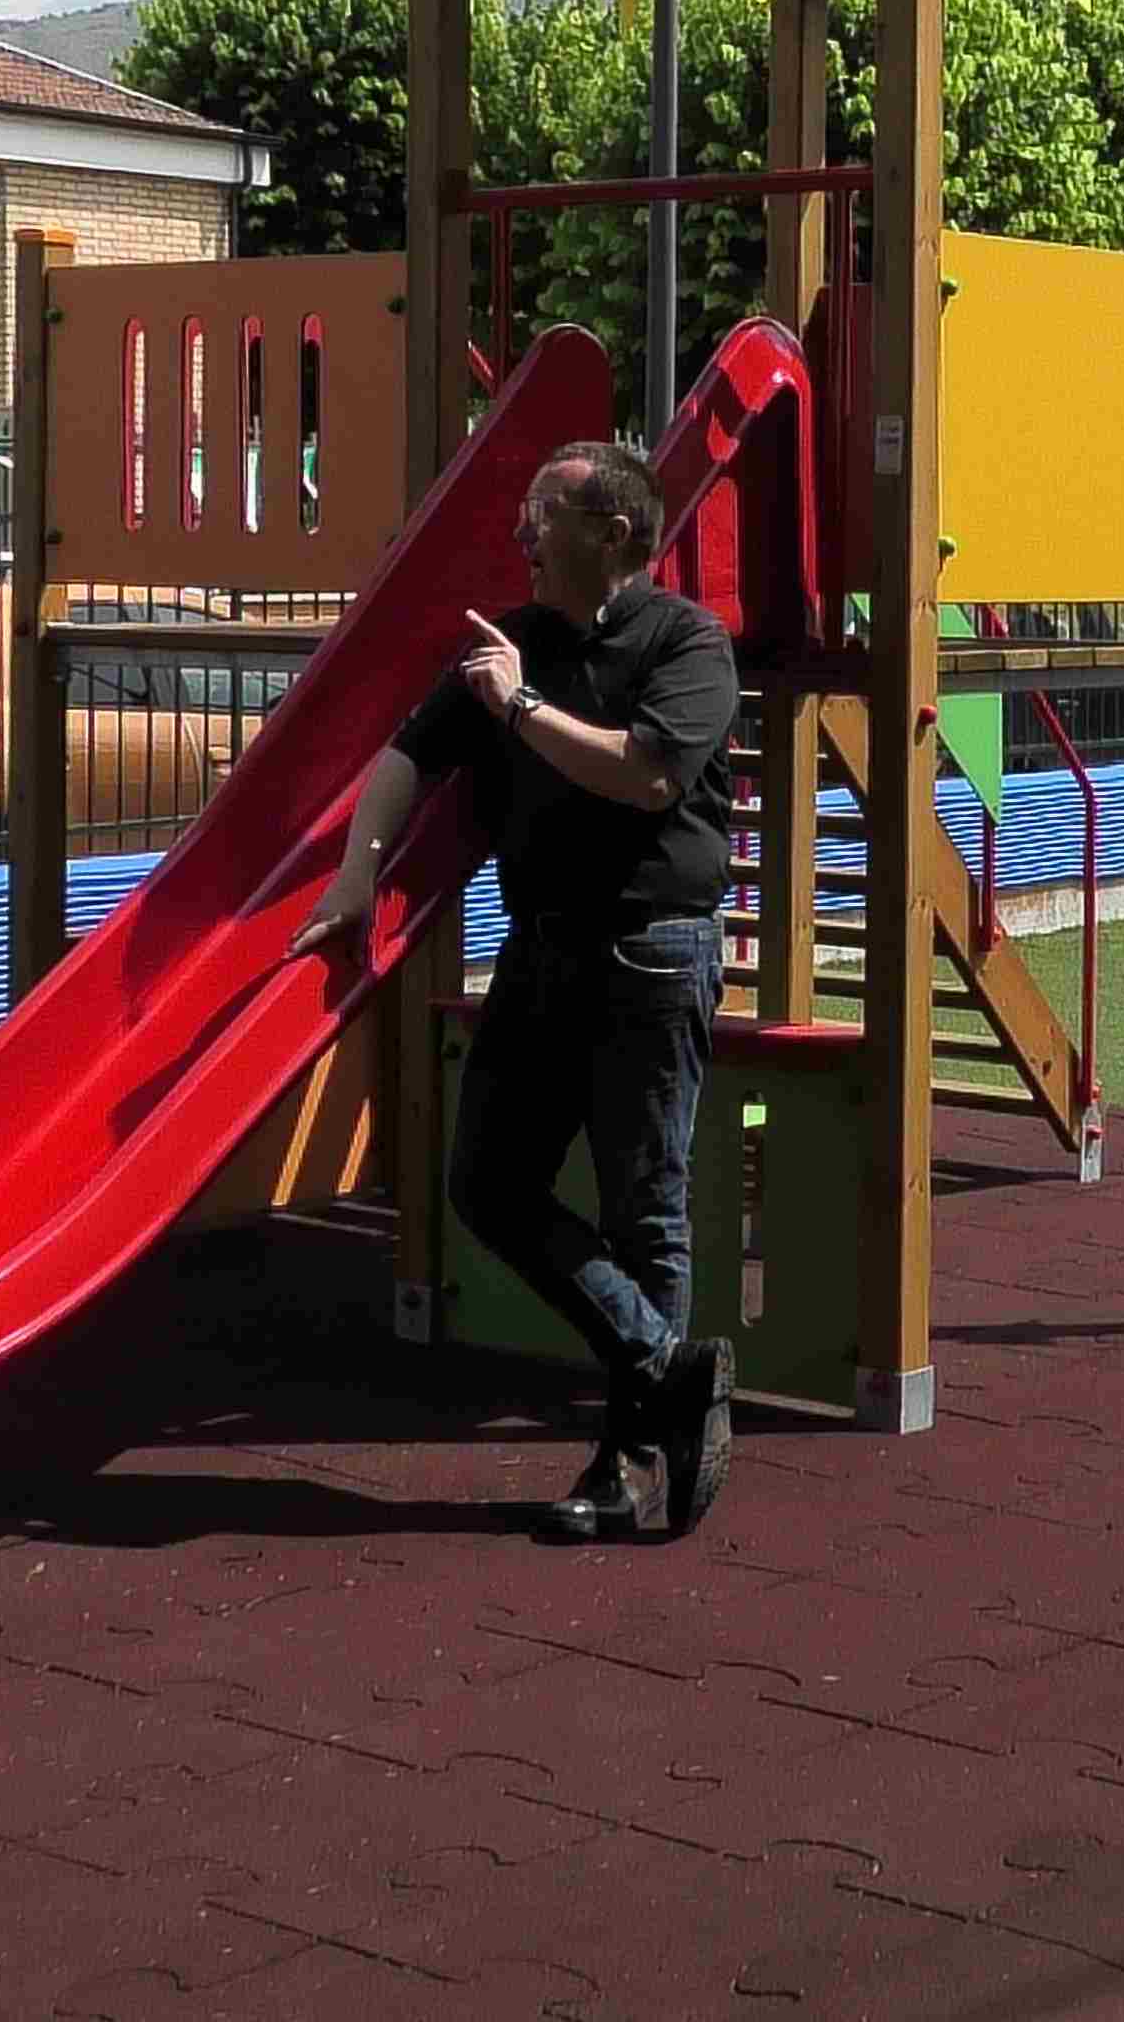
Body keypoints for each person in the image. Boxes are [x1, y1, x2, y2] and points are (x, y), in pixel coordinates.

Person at [291, 439, 740, 1543]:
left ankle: (631, 1462)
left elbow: (647, 774)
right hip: (540, 951)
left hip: (650, 953)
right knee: (486, 1181)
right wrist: (357, 875)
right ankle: (666, 1365)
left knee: (645, 1206)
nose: (522, 531)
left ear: (614, 533)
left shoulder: (686, 643)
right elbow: (407, 756)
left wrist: (521, 706)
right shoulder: (515, 641)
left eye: (545, 511)